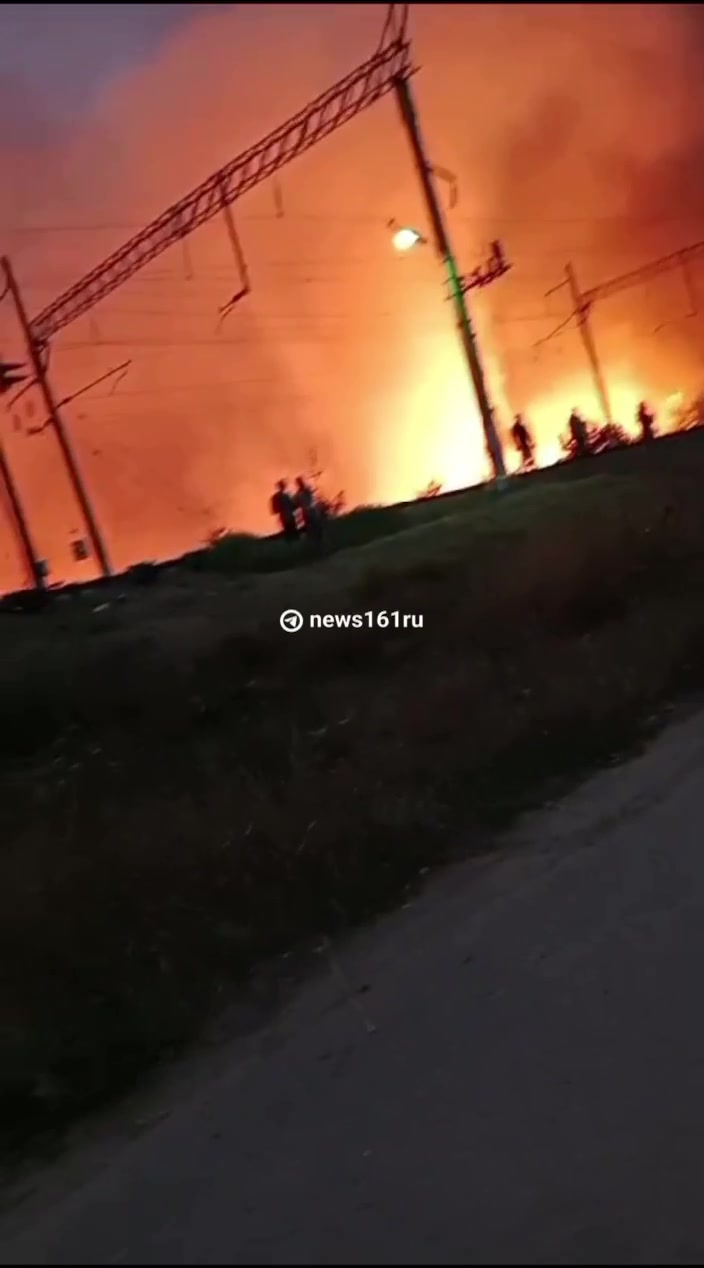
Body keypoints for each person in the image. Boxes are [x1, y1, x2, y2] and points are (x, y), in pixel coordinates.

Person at [294, 475, 323, 544]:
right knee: (311, 528)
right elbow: (297, 504)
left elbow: (312, 497)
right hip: (307, 512)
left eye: (300, 482)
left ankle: (318, 540)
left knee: (316, 526)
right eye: (299, 482)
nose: (301, 483)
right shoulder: (299, 493)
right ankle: (313, 541)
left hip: (311, 511)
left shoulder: (305, 490)